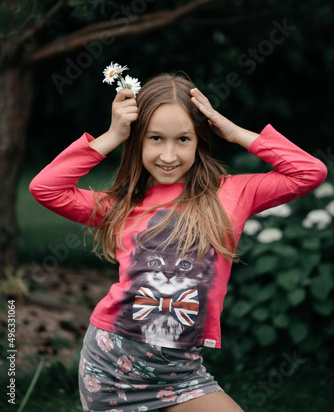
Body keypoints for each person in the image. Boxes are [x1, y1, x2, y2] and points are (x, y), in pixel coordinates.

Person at [29, 73, 327, 412]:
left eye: (183, 139)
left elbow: (308, 172)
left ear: (200, 138)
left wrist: (234, 132)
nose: (168, 155)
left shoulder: (233, 193)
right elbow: (45, 188)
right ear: (137, 139)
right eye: (155, 138)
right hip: (112, 365)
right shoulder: (122, 205)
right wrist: (112, 136)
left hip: (181, 370)